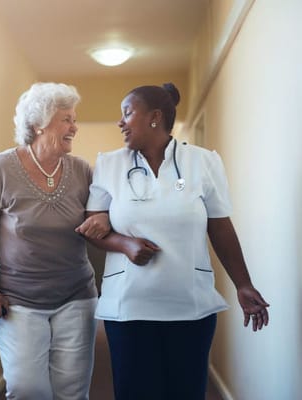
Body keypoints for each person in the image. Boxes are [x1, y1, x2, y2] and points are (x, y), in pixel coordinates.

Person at [75, 82, 270, 400]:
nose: (120, 122)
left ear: (155, 117)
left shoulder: (203, 162)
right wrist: (125, 244)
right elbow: (93, 229)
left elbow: (220, 228)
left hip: (190, 307)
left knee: (187, 392)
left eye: (127, 113)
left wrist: (243, 284)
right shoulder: (109, 165)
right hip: (129, 309)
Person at [0, 82, 109, 400]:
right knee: (28, 389)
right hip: (19, 300)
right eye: (66, 119)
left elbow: (101, 218)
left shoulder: (82, 171)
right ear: (38, 124)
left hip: (77, 296)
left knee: (73, 391)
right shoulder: (0, 168)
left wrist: (103, 218)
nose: (74, 127)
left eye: (74, 118)